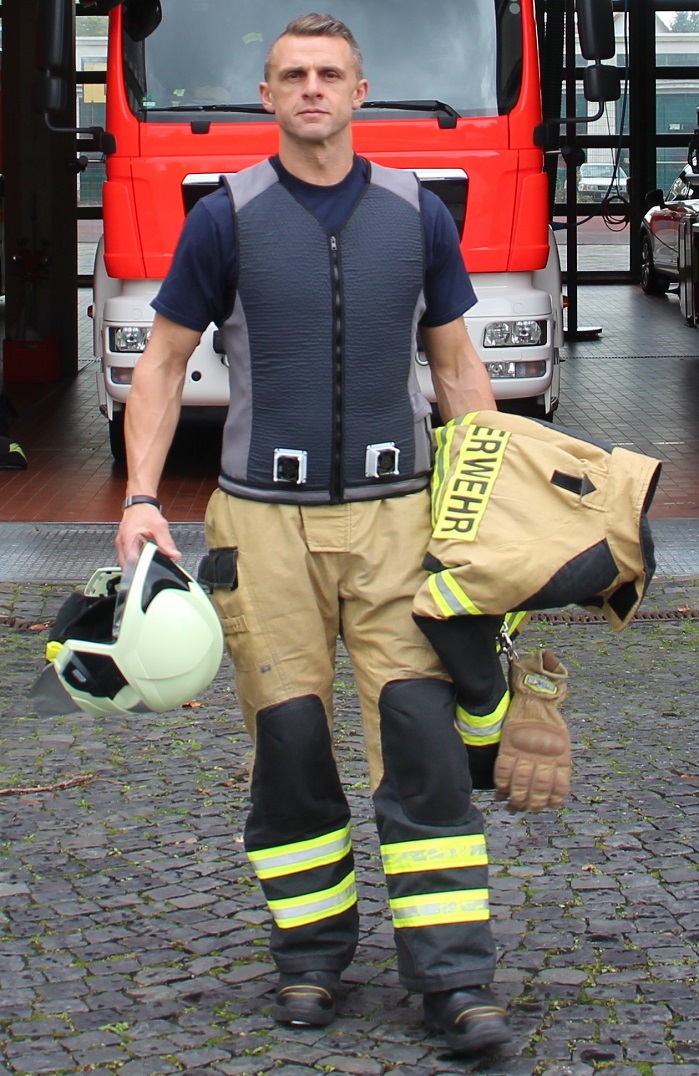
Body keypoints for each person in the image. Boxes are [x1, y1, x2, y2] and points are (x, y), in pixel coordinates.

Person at [116, 13, 513, 1058]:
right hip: (263, 525)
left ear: (359, 88)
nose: (311, 89)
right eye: (292, 74)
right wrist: (142, 498)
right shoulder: (225, 219)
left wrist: (482, 513)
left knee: (423, 745)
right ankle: (309, 956)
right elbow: (159, 365)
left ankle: (455, 977)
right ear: (268, 95)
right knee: (290, 750)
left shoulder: (416, 213)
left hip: (396, 522)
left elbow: (461, 373)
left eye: (329, 73)